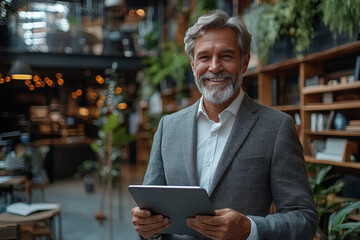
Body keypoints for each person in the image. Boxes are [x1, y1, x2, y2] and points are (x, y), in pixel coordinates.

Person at [131, 9, 318, 240]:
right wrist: (146, 227)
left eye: (227, 56)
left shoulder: (277, 127)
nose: (215, 66)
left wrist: (249, 228)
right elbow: (151, 212)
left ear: (245, 62)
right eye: (204, 57)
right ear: (192, 65)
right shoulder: (168, 127)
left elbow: (303, 219)